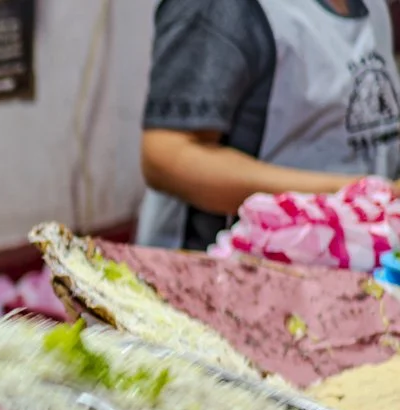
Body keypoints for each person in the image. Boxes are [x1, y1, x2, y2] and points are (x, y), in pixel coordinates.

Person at [138, 0, 400, 250]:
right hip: (227, 263)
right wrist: (354, 195)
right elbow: (166, 156)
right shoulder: (221, 8)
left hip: (350, 253)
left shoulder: (372, 8)